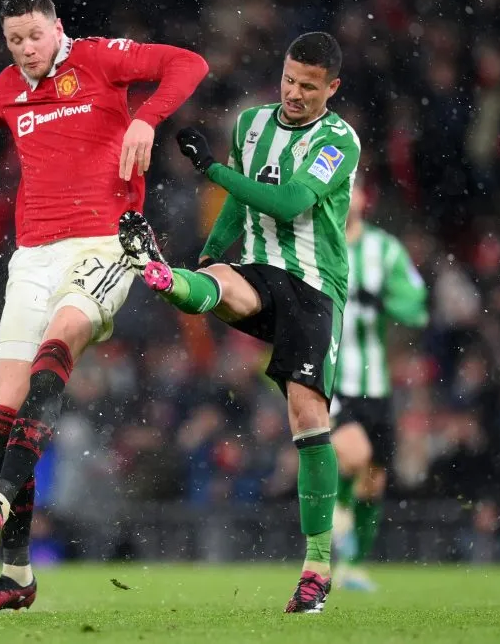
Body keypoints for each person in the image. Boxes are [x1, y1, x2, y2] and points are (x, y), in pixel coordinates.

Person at [0, 0, 208, 614]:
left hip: (105, 243)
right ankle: (15, 577)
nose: (24, 50)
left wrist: (146, 118)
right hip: (33, 258)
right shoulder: (10, 87)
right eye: (14, 40)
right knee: (5, 410)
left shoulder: (100, 60)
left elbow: (188, 63)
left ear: (57, 29)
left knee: (60, 341)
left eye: (34, 38)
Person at [118, 32, 358, 614]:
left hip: (313, 287)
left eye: (308, 84)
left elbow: (287, 204)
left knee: (307, 415)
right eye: (289, 78)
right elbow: (243, 209)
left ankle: (317, 567)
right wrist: (210, 249)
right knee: (221, 283)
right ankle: (171, 276)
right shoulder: (253, 123)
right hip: (258, 268)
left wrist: (212, 170)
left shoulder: (338, 140)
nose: (294, 92)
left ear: (332, 87)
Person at [327, 183, 428, 591]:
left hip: (376, 386)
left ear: (366, 198)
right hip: (333, 380)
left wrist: (383, 300)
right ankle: (335, 518)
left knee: (374, 479)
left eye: (353, 191)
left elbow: (417, 305)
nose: (348, 199)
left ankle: (350, 564)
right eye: (340, 191)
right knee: (353, 455)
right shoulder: (316, 244)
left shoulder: (384, 250)